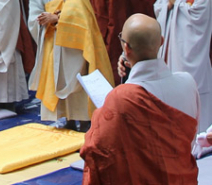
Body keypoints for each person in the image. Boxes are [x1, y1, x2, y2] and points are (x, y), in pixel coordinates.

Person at [81, 14, 199, 185]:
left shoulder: (120, 98)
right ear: (161, 42)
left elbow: (100, 153)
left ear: (126, 48)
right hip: (183, 179)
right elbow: (191, 140)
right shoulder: (188, 82)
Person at [28, 0, 114, 130]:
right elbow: (34, 8)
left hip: (73, 46)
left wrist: (58, 18)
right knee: (57, 78)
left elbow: (81, 17)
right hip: (53, 41)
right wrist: (43, 19)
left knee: (77, 79)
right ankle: (65, 118)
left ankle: (83, 119)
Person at [154, 0, 212, 132]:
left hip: (191, 55)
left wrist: (177, 4)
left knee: (193, 96)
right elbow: (159, 7)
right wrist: (171, 4)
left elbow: (199, 19)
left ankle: (200, 138)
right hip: (170, 53)